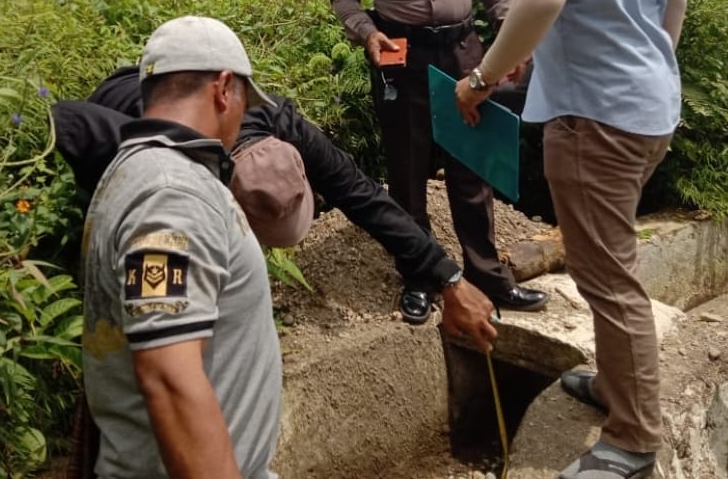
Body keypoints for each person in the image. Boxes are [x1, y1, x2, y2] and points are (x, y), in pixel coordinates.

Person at [453, 0, 692, 479]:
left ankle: (630, 437)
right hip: (649, 100)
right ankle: (621, 386)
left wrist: (484, 76)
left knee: (607, 276)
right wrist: (643, 67)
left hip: (594, 112)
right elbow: (670, 2)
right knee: (611, 257)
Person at [55, 64, 499, 338]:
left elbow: (363, 195)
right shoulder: (169, 167)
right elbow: (66, 116)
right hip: (128, 91)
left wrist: (449, 277)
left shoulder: (280, 121)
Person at [329, 0, 549, 320]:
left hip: (462, 52)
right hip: (399, 58)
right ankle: (419, 278)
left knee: (471, 168)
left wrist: (506, 29)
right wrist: (367, 33)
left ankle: (489, 278)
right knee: (406, 173)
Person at [79, 15, 282, 478]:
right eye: (245, 103)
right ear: (223, 88)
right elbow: (169, 379)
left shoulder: (139, 173)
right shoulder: (171, 193)